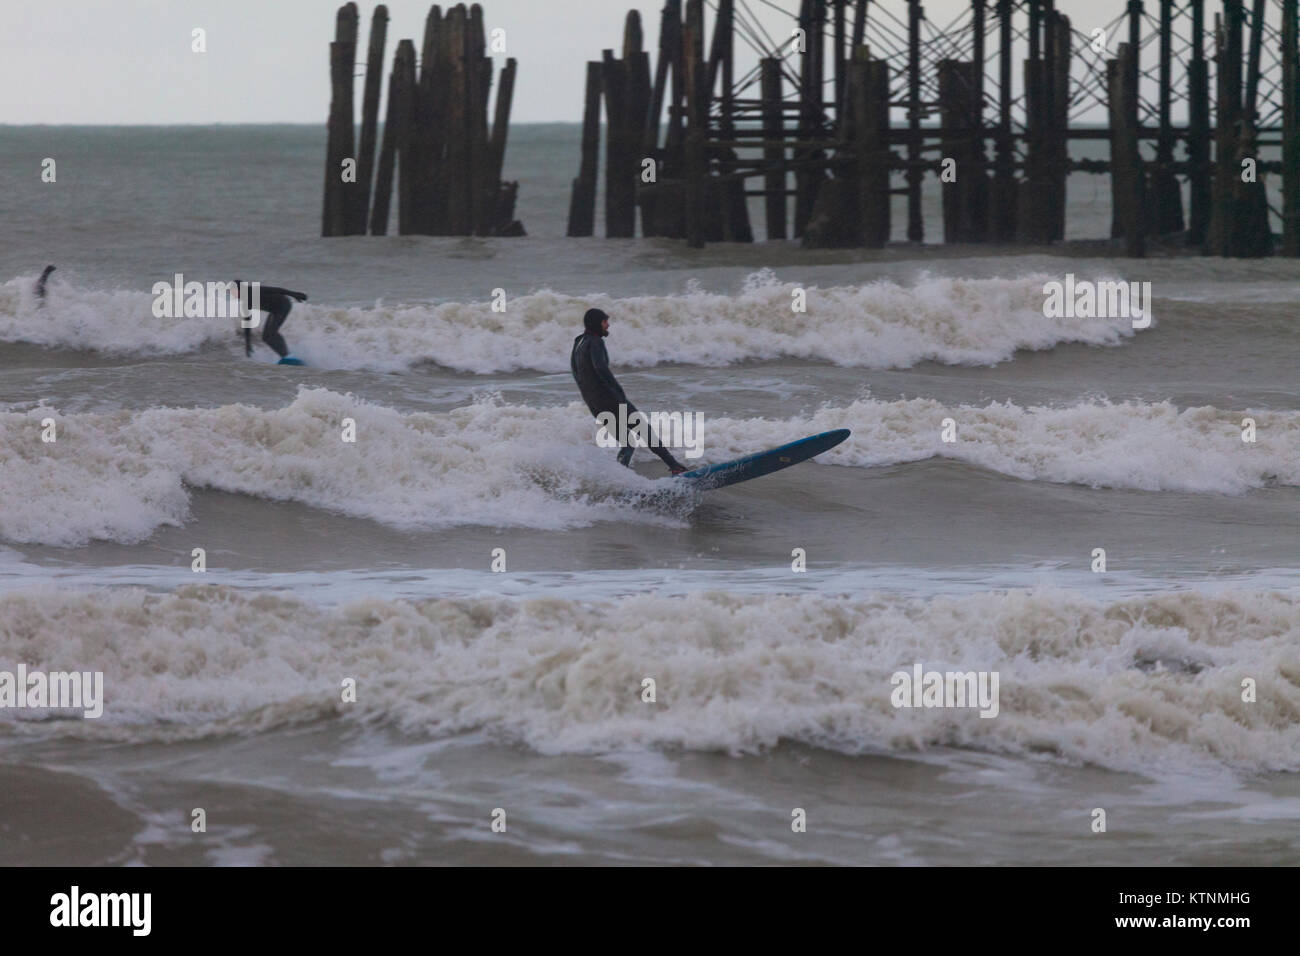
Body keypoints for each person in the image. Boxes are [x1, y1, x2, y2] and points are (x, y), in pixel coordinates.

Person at [571, 307, 687, 475]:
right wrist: (619, 394)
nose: (608, 325)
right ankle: (674, 465)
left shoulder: (578, 342)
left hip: (593, 403)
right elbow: (601, 368)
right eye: (605, 322)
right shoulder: (596, 342)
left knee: (627, 442)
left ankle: (619, 477)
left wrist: (590, 396)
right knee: (644, 431)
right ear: (597, 323)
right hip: (609, 399)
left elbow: (576, 373)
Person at [233, 281, 307, 360]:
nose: (233, 295)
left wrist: (294, 294)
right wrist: (248, 344)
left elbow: (276, 290)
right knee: (265, 337)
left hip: (283, 305)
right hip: (274, 311)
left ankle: (287, 355)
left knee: (272, 332)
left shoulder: (253, 290)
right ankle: (286, 356)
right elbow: (247, 322)